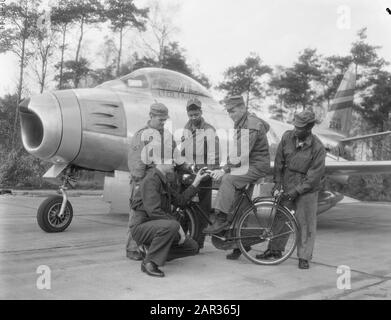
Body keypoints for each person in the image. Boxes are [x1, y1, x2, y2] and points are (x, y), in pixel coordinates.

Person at [256, 109, 326, 269]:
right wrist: (278, 183)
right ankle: (274, 250)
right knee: (280, 218)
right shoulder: (287, 137)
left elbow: (314, 177)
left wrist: (295, 192)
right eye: (295, 125)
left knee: (305, 223)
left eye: (300, 127)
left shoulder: (318, 148)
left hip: (307, 189)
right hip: (287, 182)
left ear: (309, 128)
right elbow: (279, 162)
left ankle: (304, 257)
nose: (296, 129)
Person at [203, 95, 270, 259]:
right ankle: (240, 246)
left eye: (233, 111)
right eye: (228, 112)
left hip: (255, 165)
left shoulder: (251, 124)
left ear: (242, 107)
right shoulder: (244, 122)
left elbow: (241, 153)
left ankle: (220, 218)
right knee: (239, 204)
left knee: (228, 180)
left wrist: (225, 170)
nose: (231, 114)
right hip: (247, 164)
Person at [129, 163, 209, 277]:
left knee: (192, 247)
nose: (174, 163)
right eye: (170, 159)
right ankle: (149, 263)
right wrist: (178, 227)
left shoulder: (163, 181)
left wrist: (197, 181)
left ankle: (150, 251)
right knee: (172, 226)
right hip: (142, 227)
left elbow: (180, 200)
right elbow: (154, 211)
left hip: (157, 226)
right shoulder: (151, 180)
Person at [126, 101, 175, 261]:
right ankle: (132, 249)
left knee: (155, 215)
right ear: (151, 116)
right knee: (138, 214)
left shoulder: (167, 135)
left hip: (160, 183)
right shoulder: (142, 135)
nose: (163, 122)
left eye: (164, 120)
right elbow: (136, 163)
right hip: (144, 182)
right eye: (160, 119)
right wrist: (141, 184)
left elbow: (175, 155)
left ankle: (149, 247)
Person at [181, 97, 220, 250]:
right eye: (191, 115)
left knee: (202, 209)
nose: (193, 117)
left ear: (201, 112)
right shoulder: (186, 128)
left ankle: (198, 243)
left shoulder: (209, 130)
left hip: (203, 174)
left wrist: (209, 171)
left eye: (196, 114)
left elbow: (214, 154)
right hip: (189, 173)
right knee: (184, 206)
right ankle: (182, 239)